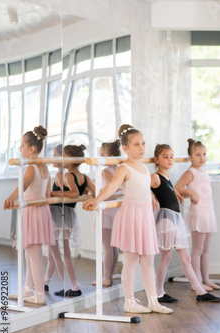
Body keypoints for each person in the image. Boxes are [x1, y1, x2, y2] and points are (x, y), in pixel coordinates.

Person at [83, 124, 173, 314]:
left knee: (148, 260)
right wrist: (96, 200)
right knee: (131, 260)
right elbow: (111, 187)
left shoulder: (143, 168)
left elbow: (145, 186)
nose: (141, 148)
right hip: (131, 215)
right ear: (125, 148)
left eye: (143, 144)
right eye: (136, 144)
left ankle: (153, 301)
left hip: (145, 215)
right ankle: (129, 301)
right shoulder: (123, 168)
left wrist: (151, 195)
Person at [151, 144, 220, 303]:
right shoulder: (155, 177)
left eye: (171, 156)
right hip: (166, 218)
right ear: (156, 159)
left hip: (175, 218)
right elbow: (142, 185)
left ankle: (198, 291)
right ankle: (161, 292)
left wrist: (174, 192)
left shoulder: (168, 178)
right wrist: (150, 193)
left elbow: (168, 190)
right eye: (165, 156)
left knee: (179, 257)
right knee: (168, 257)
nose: (169, 159)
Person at [4, 126, 55, 305]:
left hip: (33, 212)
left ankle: (39, 294)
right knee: (30, 254)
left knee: (33, 255)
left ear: (31, 149)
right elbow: (48, 193)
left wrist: (9, 198)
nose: (20, 149)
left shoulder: (31, 167)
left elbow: (22, 187)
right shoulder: (45, 167)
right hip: (40, 211)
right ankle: (28, 288)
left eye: (22, 146)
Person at [48, 144, 95, 297]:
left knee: (58, 254)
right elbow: (92, 191)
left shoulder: (67, 175)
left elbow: (73, 193)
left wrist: (50, 193)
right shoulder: (85, 177)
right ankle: (46, 283)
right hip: (68, 214)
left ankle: (72, 286)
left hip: (58, 213)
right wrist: (85, 192)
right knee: (55, 253)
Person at [175, 139, 220, 290]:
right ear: (190, 156)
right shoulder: (190, 172)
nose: (202, 157)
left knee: (205, 250)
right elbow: (177, 188)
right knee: (197, 250)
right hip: (198, 213)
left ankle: (206, 280)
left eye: (204, 154)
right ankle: (197, 283)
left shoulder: (203, 171)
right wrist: (191, 193)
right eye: (198, 154)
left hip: (208, 213)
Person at [92, 139, 121, 287]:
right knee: (112, 246)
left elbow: (113, 188)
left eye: (101, 154)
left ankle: (106, 277)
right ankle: (109, 275)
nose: (100, 156)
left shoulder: (106, 171)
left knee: (107, 246)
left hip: (106, 211)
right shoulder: (117, 170)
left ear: (109, 155)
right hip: (113, 210)